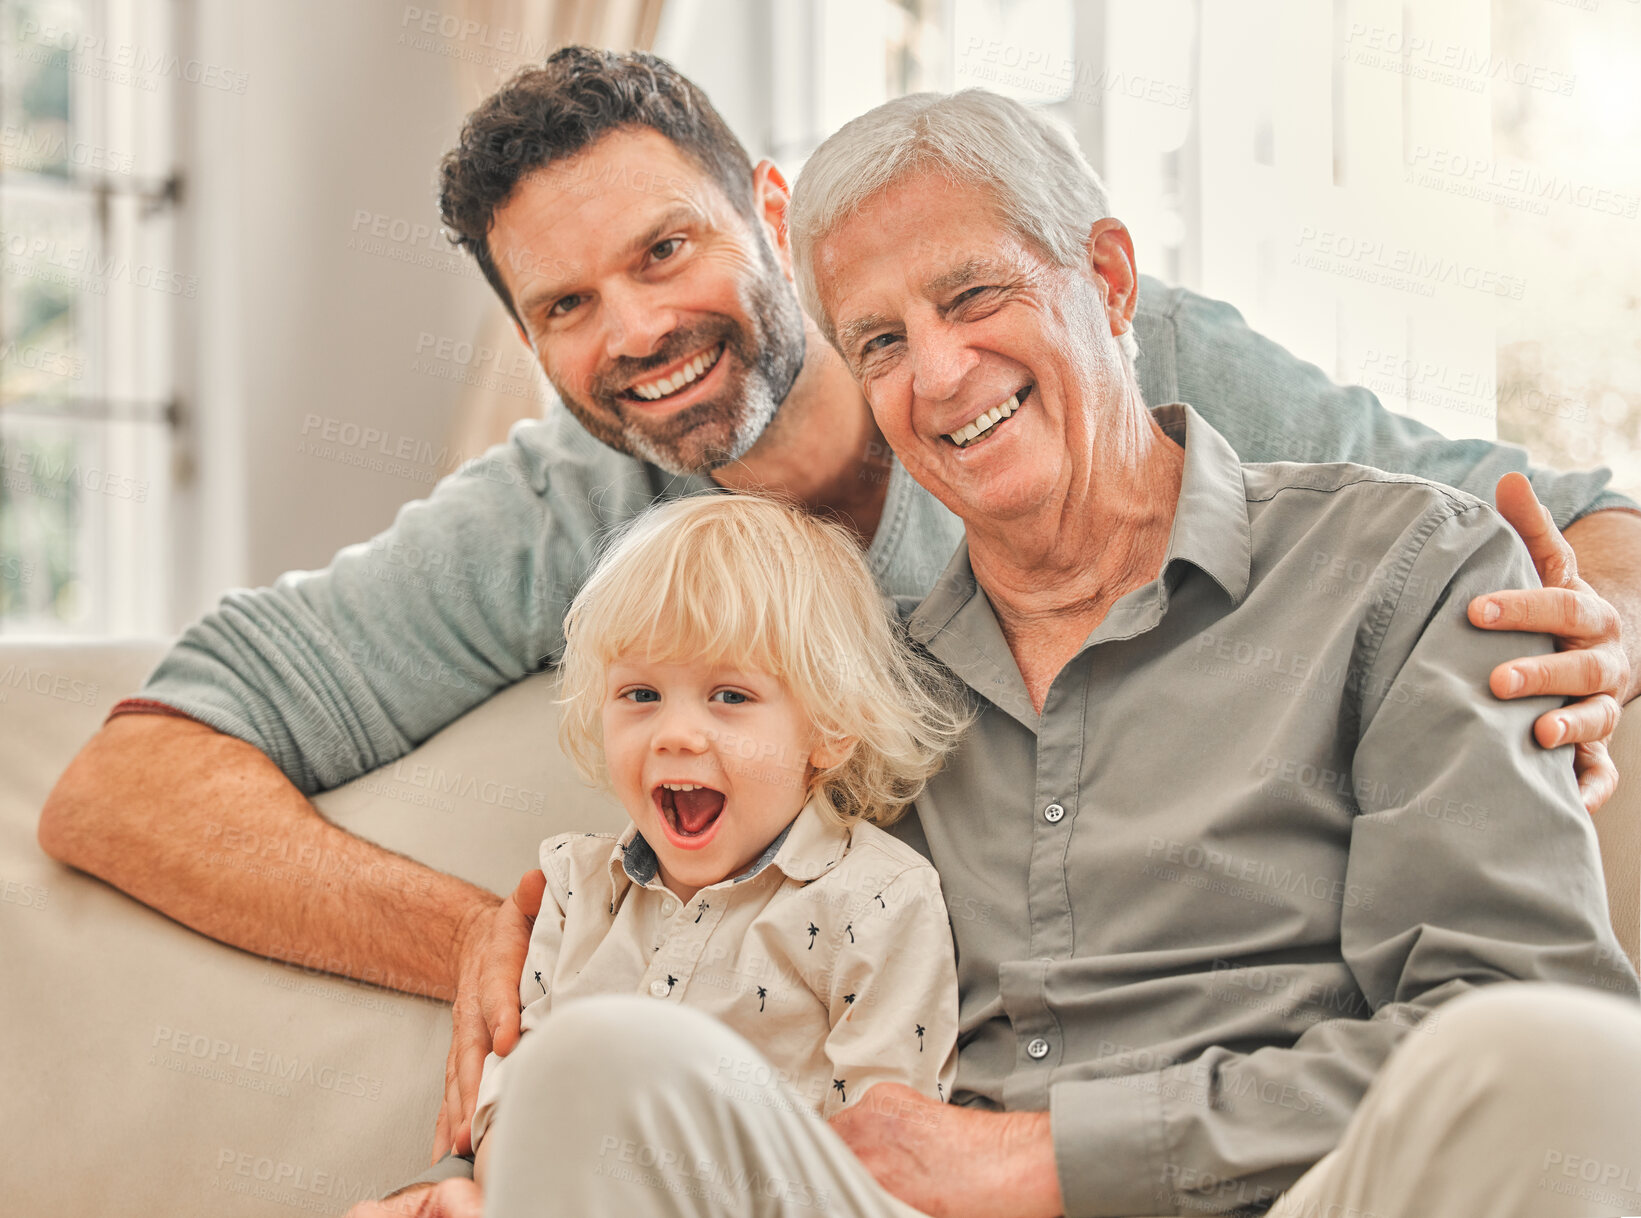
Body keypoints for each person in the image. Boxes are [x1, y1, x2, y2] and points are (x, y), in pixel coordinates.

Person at [34, 46, 1639, 1197]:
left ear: (777, 218)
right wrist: (494, 945)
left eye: (667, 249)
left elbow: (1561, 523)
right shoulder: (575, 525)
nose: (638, 332)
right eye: (566, 307)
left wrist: (1593, 636)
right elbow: (133, 777)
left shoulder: (1190, 410)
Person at [459, 492, 969, 1198]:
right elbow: (510, 1111)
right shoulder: (576, 888)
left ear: (829, 727)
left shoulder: (877, 899)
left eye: (728, 696)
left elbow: (886, 1152)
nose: (674, 733)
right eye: (639, 694)